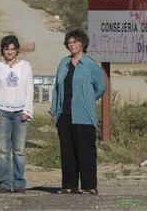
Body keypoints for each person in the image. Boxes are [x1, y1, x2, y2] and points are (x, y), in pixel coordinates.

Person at [49, 29, 105, 195]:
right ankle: (69, 185)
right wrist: (53, 111)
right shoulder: (63, 63)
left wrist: (87, 99)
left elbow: (100, 87)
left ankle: (89, 186)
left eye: (75, 42)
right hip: (64, 114)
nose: (72, 45)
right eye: (69, 42)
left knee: (85, 152)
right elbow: (57, 88)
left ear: (82, 43)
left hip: (84, 115)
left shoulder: (89, 64)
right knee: (67, 152)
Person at [0, 35, 33, 193]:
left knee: (19, 151)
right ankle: (5, 184)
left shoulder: (25, 66)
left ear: (17, 50)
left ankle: (19, 182)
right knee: (3, 151)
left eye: (13, 48)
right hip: (2, 112)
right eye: (7, 48)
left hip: (20, 112)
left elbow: (29, 89)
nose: (9, 51)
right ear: (2, 50)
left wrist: (27, 110)